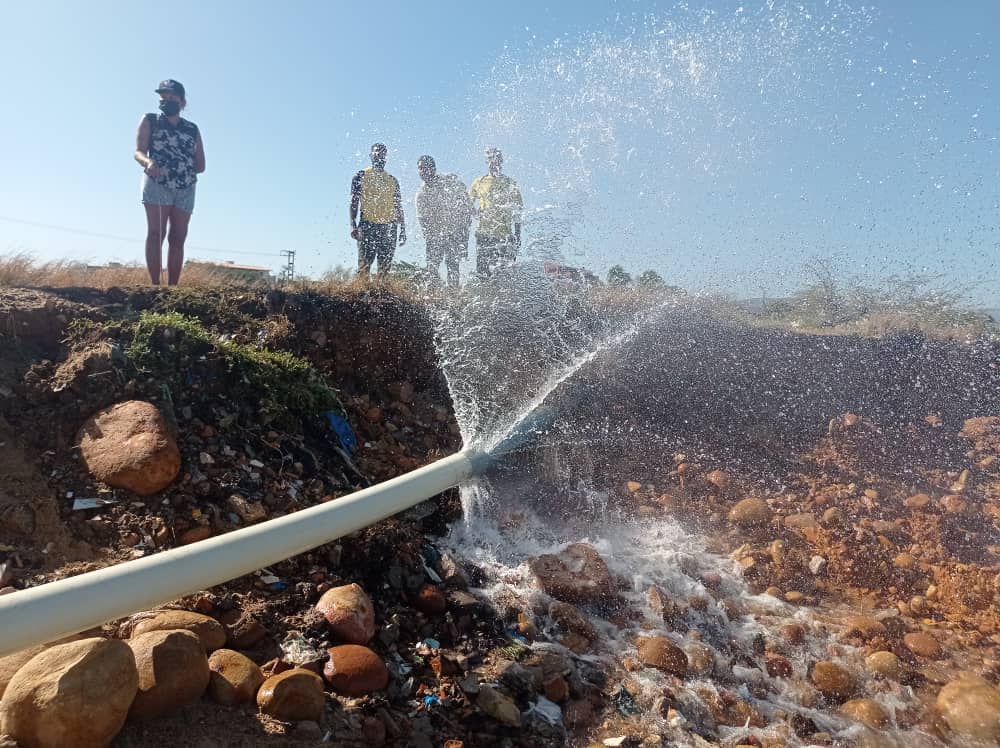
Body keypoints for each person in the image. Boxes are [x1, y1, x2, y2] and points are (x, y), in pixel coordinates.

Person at [133, 79, 205, 285]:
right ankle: (155, 286)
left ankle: (172, 288)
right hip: (157, 183)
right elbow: (138, 151)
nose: (167, 101)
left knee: (178, 238)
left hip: (186, 187)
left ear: (182, 102)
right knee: (156, 233)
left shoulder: (192, 129)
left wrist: (182, 167)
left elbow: (201, 165)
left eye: (172, 97)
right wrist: (149, 163)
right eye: (163, 97)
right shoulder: (150, 120)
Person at [350, 143, 406, 279]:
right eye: (376, 152)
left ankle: (383, 297)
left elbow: (398, 206)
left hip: (389, 227)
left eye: (383, 153)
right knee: (364, 267)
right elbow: (354, 202)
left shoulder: (393, 180)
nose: (380, 155)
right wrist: (353, 224)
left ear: (386, 157)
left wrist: (403, 228)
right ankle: (360, 296)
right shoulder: (361, 175)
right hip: (368, 225)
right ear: (371, 155)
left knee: (385, 270)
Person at [415, 155, 472, 287]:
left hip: (454, 231)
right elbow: (422, 221)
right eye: (420, 168)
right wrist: (429, 238)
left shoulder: (449, 179)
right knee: (432, 266)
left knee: (453, 265)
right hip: (435, 235)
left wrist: (465, 228)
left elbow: (465, 199)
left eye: (425, 168)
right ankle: (433, 294)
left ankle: (454, 294)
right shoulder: (421, 194)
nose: (423, 171)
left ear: (433, 168)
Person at [469, 148, 523, 277]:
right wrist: (476, 214)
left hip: (505, 236)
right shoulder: (479, 182)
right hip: (484, 234)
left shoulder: (510, 183)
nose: (493, 161)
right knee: (483, 274)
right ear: (486, 161)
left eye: (496, 158)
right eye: (490, 158)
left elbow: (517, 211)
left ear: (501, 161)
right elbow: (467, 203)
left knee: (505, 274)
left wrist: (517, 235)